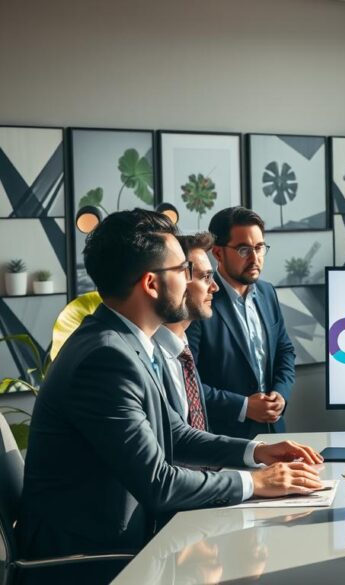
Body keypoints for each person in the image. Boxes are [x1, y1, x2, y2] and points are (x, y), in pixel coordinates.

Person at [16, 210, 323, 573]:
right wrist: (255, 482)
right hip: (92, 559)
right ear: (151, 284)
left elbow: (174, 433)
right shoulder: (105, 359)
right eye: (184, 271)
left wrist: (257, 451)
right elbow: (158, 483)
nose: (195, 281)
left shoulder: (126, 344)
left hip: (125, 543)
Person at [187, 207, 295, 439]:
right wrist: (244, 406)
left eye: (259, 248)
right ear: (217, 253)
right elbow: (188, 383)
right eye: (244, 249)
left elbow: (285, 351)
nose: (255, 258)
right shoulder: (199, 301)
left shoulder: (267, 293)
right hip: (223, 439)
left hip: (274, 433)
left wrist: (281, 394)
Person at [154, 232, 218, 430]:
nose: (214, 287)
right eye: (205, 277)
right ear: (180, 278)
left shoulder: (183, 349)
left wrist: (256, 451)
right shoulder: (148, 353)